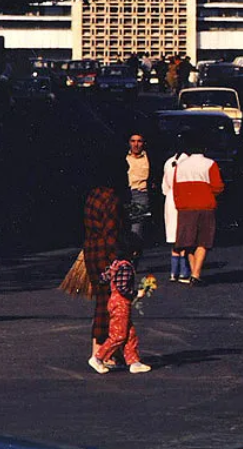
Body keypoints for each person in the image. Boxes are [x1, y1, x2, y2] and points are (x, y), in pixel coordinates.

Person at [83, 155, 128, 361]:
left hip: (91, 250)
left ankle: (102, 350)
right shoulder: (112, 198)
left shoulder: (93, 194)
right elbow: (111, 235)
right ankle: (103, 353)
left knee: (102, 300)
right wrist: (117, 261)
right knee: (110, 302)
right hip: (104, 254)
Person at [88, 231, 152, 374]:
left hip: (114, 301)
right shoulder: (126, 267)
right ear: (134, 252)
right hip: (121, 303)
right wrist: (137, 293)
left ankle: (134, 361)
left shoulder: (115, 264)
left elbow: (103, 278)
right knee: (119, 334)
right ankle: (98, 357)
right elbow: (123, 288)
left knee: (130, 333)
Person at [169, 133, 225, 286]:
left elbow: (175, 189)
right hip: (205, 206)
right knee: (203, 241)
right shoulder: (210, 164)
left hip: (186, 208)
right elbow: (218, 186)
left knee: (189, 242)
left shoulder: (180, 166)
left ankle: (194, 272)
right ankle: (196, 273)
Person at [162, 139, 190, 283]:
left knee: (173, 235)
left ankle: (173, 272)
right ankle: (184, 271)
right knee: (184, 235)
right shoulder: (189, 163)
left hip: (170, 199)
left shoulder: (169, 162)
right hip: (185, 199)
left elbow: (164, 187)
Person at [125, 133, 152, 237]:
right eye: (133, 141)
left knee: (137, 226)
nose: (136, 144)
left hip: (141, 193)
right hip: (126, 193)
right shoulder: (125, 157)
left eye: (139, 141)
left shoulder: (148, 157)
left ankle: (135, 251)